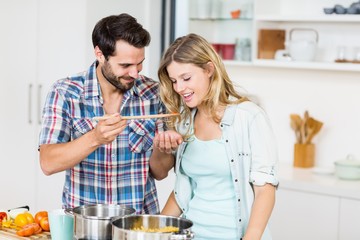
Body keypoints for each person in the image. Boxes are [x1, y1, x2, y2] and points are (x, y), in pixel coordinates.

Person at [38, 13, 178, 214]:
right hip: (83, 223)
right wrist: (94, 138)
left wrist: (162, 148)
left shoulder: (153, 94)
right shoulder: (65, 92)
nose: (135, 73)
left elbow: (161, 172)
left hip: (139, 224)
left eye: (139, 63)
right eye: (125, 65)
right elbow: (48, 163)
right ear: (100, 54)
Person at [156, 33, 279, 240]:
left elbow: (265, 191)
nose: (179, 88)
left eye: (186, 78)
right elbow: (182, 194)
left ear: (209, 70)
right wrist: (154, 232)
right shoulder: (184, 122)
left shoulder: (249, 116)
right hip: (192, 235)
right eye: (174, 81)